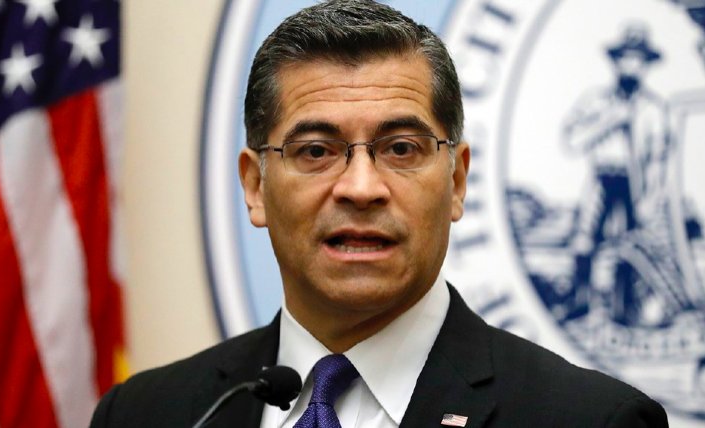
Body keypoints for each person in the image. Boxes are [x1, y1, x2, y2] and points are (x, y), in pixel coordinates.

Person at [90, 1, 668, 426]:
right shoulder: (145, 413)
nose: (361, 188)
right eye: (316, 151)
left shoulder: (591, 420)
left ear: (457, 181)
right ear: (256, 186)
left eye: (402, 149)